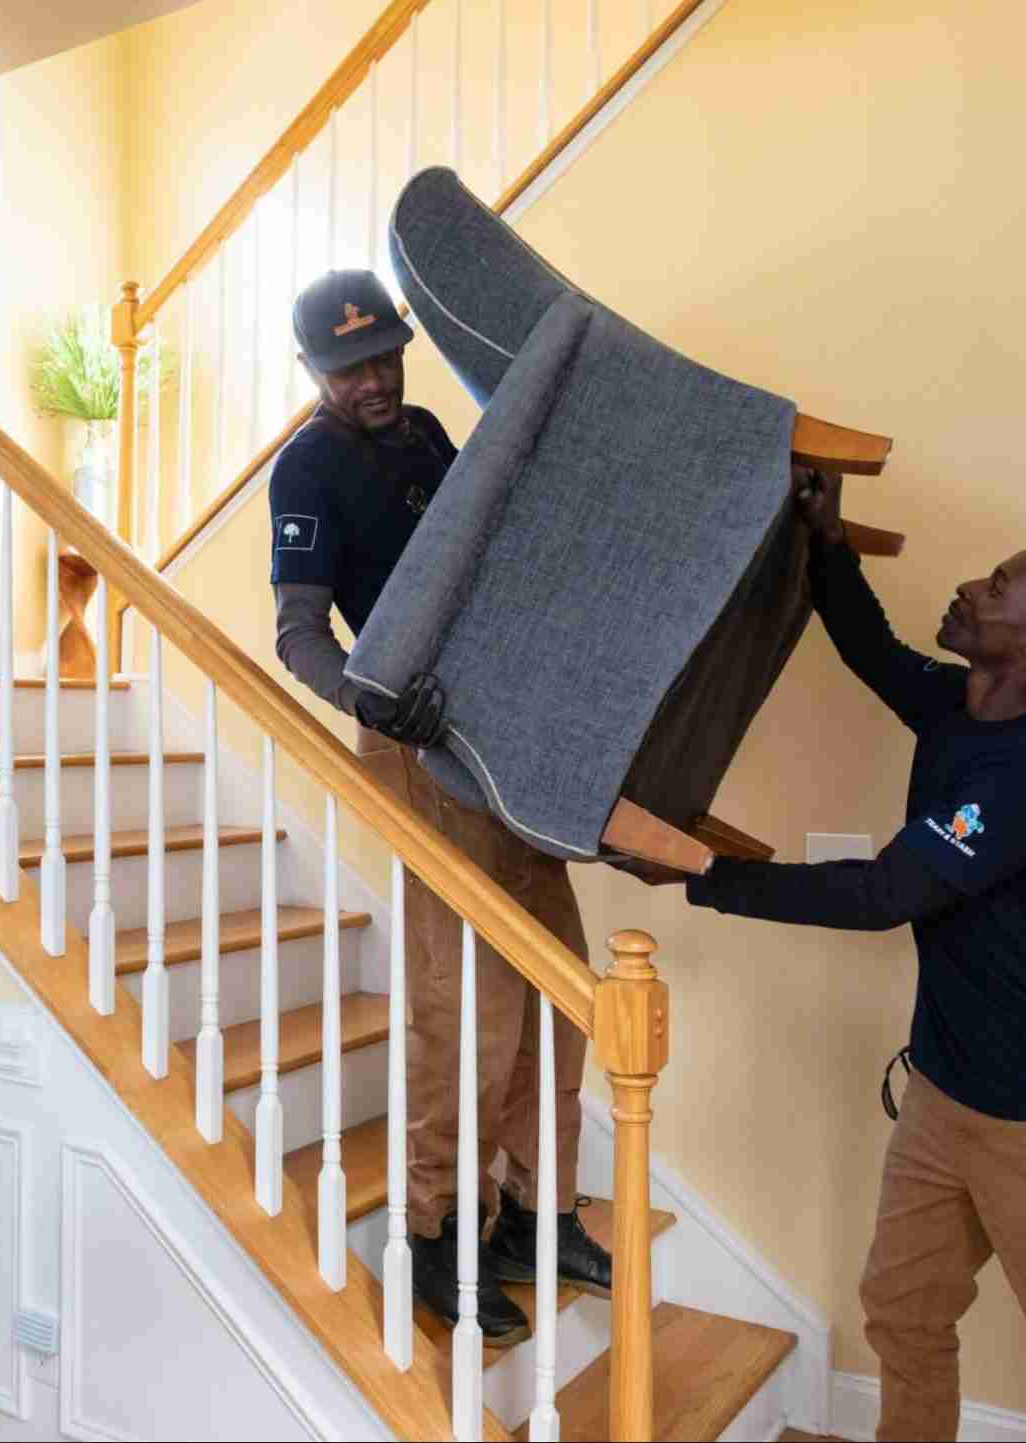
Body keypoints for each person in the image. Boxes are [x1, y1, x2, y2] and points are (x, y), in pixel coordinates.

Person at [637, 469, 1026, 1442]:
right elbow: (872, 650)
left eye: (999, 586)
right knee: (903, 1312)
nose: (971, 586)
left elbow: (883, 893)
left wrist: (702, 870)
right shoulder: (960, 705)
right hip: (942, 1100)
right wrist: (829, 540)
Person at [268, 269, 611, 1346]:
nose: (372, 381)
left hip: (500, 730)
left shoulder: (423, 435)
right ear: (312, 371)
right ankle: (435, 1233)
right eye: (347, 368)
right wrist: (371, 699)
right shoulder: (307, 467)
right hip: (413, 742)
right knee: (466, 1004)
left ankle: (538, 1214)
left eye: (383, 357)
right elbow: (298, 635)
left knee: (558, 983)